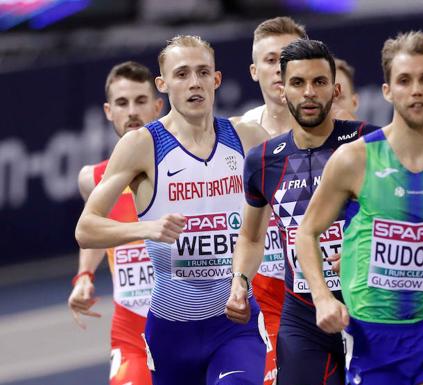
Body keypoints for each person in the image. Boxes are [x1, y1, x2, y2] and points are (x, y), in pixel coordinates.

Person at [295, 31, 423, 385]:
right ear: (388, 91)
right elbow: (307, 232)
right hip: (373, 335)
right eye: (404, 80)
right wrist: (323, 298)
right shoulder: (354, 160)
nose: (416, 89)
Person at [75, 35, 269, 385]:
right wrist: (145, 230)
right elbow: (86, 229)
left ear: (217, 79)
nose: (194, 82)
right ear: (162, 85)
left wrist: (242, 279)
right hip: (170, 330)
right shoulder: (141, 145)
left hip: (235, 325)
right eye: (181, 74)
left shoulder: (249, 138)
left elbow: (280, 215)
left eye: (202, 72)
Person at [225, 39, 378, 385]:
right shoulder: (263, 160)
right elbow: (250, 237)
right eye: (297, 83)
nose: (309, 92)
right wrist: (240, 281)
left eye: (319, 82)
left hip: (371, 307)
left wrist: (365, 247)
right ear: (283, 91)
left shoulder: (368, 143)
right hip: (303, 316)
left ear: (335, 89)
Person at [68, 61, 163, 385]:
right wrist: (84, 276)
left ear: (158, 105)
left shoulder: (185, 169)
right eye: (122, 103)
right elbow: (97, 232)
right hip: (130, 332)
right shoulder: (93, 179)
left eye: (140, 100)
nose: (132, 111)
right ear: (109, 111)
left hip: (189, 323)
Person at [231, 16, 307, 384]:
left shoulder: (344, 140)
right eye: (270, 59)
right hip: (260, 297)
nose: (279, 68)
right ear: (253, 70)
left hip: (324, 290)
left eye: (288, 57)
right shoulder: (230, 140)